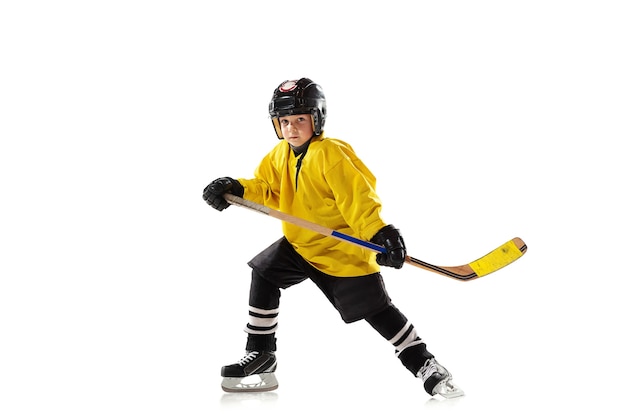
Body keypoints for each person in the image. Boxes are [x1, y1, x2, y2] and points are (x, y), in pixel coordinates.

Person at [202, 78, 463, 398]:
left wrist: (380, 233)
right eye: (284, 121)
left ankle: (425, 364)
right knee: (264, 273)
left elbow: (359, 200)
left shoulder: (332, 154)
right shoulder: (278, 155)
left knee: (376, 310)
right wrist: (237, 188)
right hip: (300, 244)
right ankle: (262, 355)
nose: (291, 128)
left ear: (317, 118)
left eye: (300, 119)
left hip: (341, 251)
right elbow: (266, 189)